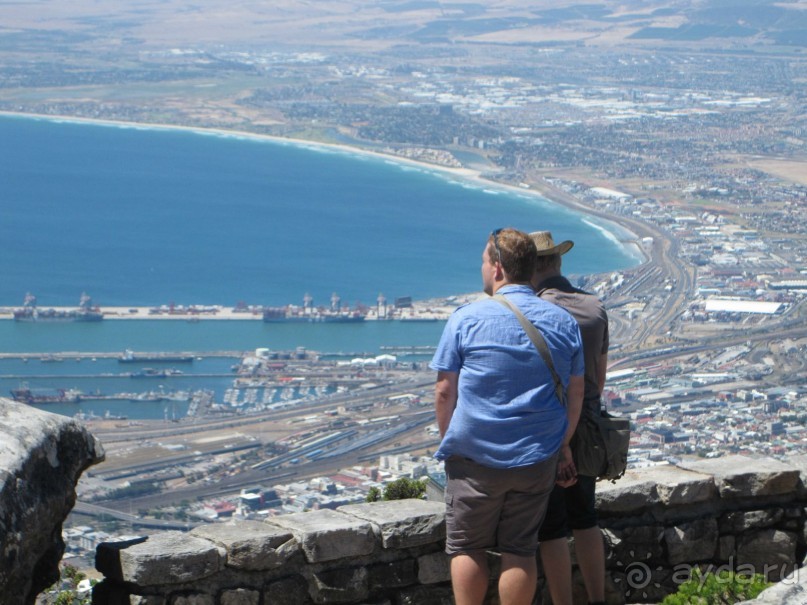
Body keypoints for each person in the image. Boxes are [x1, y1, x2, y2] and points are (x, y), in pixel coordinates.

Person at [431, 227, 585, 605]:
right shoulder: (563, 321)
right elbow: (576, 391)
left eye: (484, 261)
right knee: (520, 548)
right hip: (536, 456)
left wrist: (450, 440)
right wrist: (561, 443)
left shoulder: (466, 318)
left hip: (475, 456)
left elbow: (445, 391)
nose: (482, 268)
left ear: (498, 268)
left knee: (467, 545)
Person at [530, 231, 609, 605]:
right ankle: (598, 598)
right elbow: (600, 377)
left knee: (552, 527)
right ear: (558, 262)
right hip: (589, 422)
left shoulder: (535, 312)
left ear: (532, 268)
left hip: (549, 426)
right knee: (585, 517)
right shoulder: (595, 307)